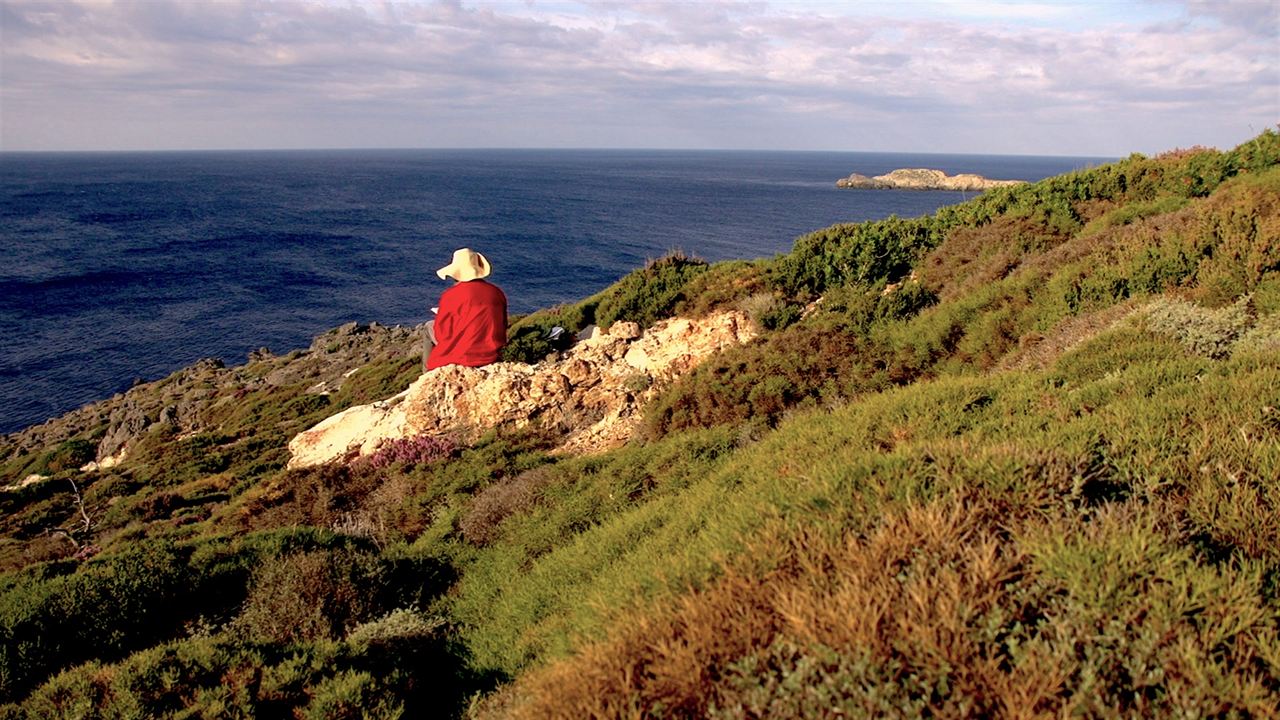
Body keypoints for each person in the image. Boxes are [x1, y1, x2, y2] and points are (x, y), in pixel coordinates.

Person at [423, 248, 508, 371]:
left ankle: (426, 375)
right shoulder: (497, 292)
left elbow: (442, 333)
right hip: (491, 354)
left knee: (428, 327)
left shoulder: (451, 295)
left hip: (462, 355)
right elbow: (503, 325)